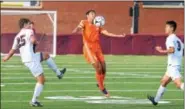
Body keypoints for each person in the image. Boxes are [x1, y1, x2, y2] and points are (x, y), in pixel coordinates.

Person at [2, 18, 66, 107]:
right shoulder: (29, 31)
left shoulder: (17, 36)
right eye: (29, 24)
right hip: (31, 59)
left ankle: (59, 73)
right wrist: (36, 42)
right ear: (24, 25)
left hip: (27, 58)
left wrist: (6, 58)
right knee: (41, 80)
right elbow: (32, 40)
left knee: (46, 55)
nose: (30, 25)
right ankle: (34, 100)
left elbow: (13, 50)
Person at [72, 10, 126, 97]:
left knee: (104, 68)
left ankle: (100, 83)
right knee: (98, 67)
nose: (93, 15)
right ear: (87, 15)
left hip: (97, 48)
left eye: (94, 14)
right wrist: (76, 29)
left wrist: (118, 36)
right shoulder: (84, 22)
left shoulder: (98, 26)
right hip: (88, 48)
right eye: (91, 14)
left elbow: (107, 33)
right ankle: (101, 87)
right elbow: (79, 27)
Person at [147, 20, 184, 105]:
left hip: (173, 66)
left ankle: (156, 100)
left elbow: (172, 50)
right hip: (175, 65)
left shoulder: (170, 38)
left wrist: (161, 51)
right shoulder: (178, 39)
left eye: (167, 27)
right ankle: (155, 100)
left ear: (171, 28)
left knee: (178, 84)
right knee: (164, 81)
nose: (165, 28)